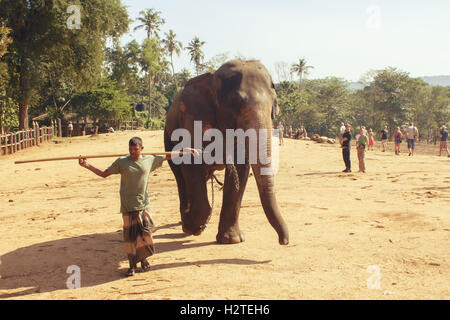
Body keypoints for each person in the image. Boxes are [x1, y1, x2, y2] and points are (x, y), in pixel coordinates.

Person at [78, 137, 199, 277]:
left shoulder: (149, 160)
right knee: (131, 237)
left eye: (135, 149)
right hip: (128, 205)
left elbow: (168, 156)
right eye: (130, 150)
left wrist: (186, 151)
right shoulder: (122, 162)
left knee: (145, 233)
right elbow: (104, 174)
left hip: (144, 204)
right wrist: (86, 165)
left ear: (142, 148)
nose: (133, 152)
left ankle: (143, 258)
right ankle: (131, 265)